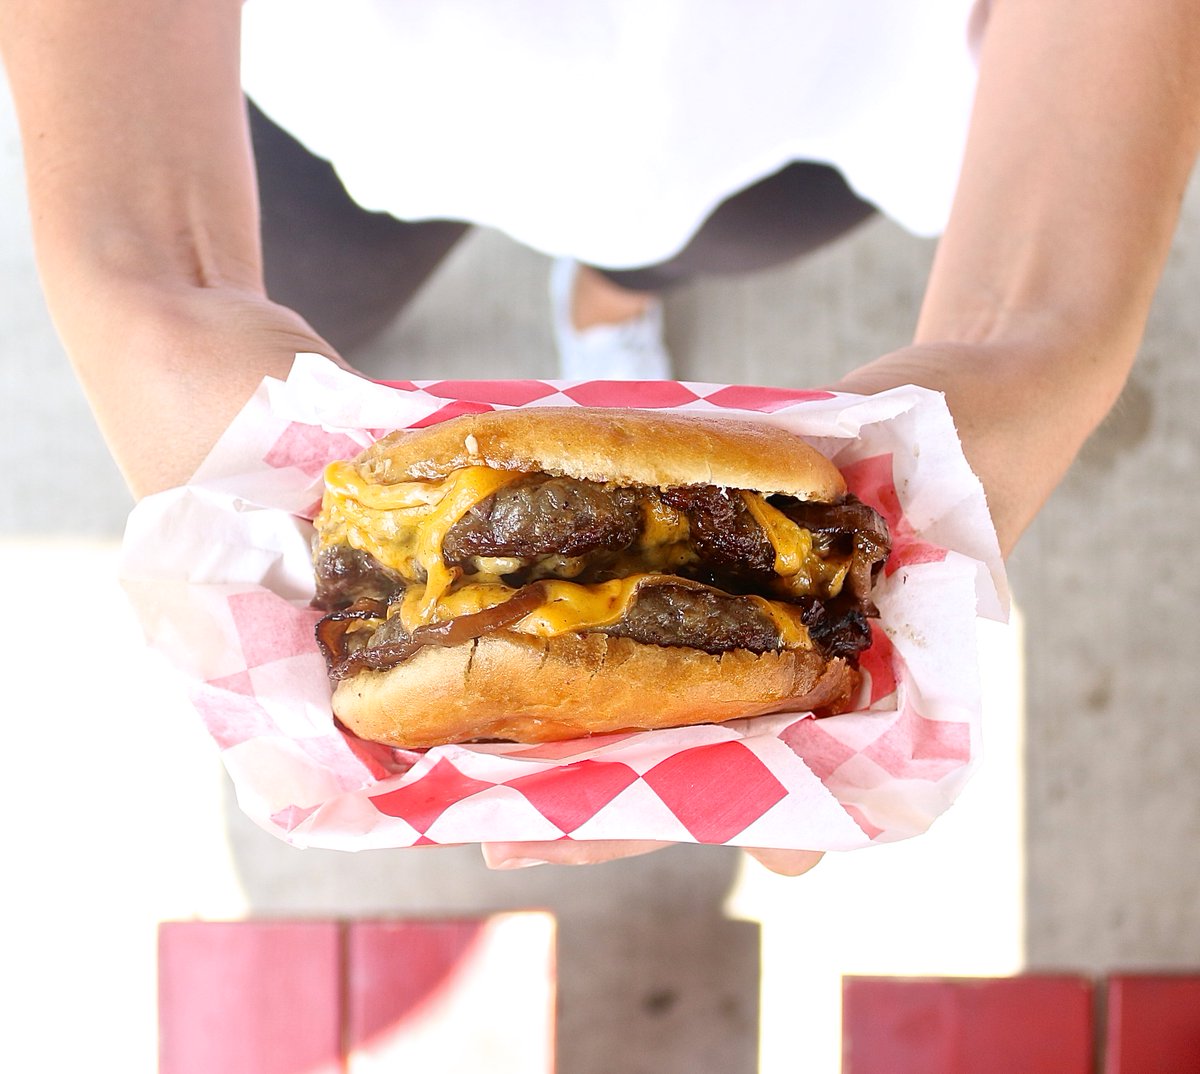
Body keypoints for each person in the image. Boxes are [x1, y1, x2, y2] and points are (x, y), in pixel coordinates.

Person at [1, 1, 1196, 875]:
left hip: (782, 106)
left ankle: (609, 296)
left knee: (664, 230)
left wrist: (1039, 335)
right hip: (323, 86)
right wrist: (157, 277)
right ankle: (608, 305)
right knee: (330, 294)